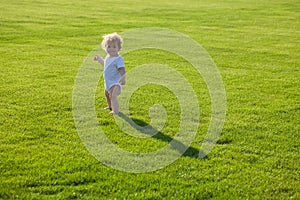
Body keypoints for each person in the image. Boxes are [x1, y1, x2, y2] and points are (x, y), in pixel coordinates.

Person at [94, 32, 126, 114]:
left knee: (113, 96)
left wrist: (123, 79)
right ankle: (110, 106)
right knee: (107, 94)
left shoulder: (118, 59)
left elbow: (122, 69)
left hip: (115, 82)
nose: (111, 49)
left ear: (119, 48)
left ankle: (115, 111)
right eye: (109, 46)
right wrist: (98, 59)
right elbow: (105, 65)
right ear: (105, 47)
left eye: (114, 47)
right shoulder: (108, 57)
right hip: (108, 82)